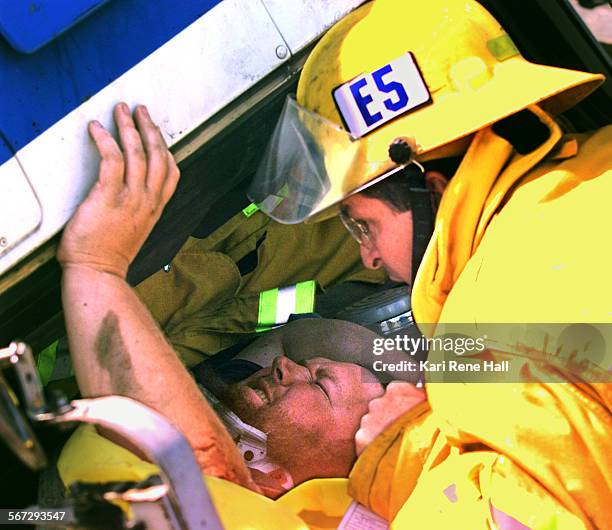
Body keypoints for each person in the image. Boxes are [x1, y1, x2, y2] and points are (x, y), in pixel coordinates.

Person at [248, 0, 612, 527]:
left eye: (362, 225)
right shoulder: (591, 173)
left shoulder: (503, 321)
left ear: (430, 189)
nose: (368, 256)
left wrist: (405, 452)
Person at [56, 102, 401, 500]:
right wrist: (425, 381)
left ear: (271, 478)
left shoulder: (220, 502)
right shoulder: (250, 397)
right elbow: (300, 339)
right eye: (311, 370)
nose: (286, 366)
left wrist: (95, 263)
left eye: (320, 387)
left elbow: (203, 461)